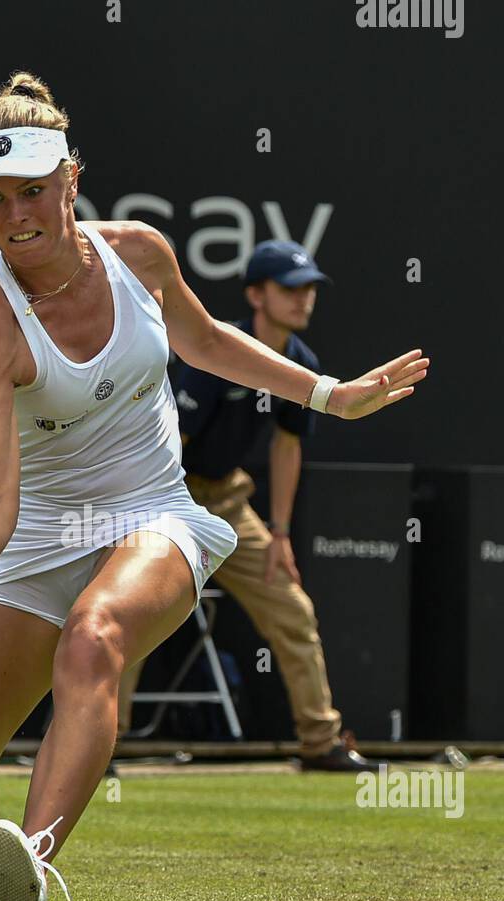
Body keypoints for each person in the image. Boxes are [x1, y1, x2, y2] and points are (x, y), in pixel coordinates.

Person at [0, 72, 427, 901]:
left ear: (71, 179)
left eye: (33, 191)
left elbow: (201, 339)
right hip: (36, 533)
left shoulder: (140, 253)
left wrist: (327, 394)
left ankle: (29, 868)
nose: (17, 216)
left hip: (152, 512)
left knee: (96, 639)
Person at [116, 241, 377, 771]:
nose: (303, 299)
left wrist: (280, 531)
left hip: (229, 502)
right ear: (256, 294)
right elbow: (173, 439)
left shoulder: (301, 361)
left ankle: (320, 742)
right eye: (289, 288)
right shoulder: (219, 352)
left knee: (293, 611)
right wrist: (143, 514)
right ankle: (99, 744)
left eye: (309, 289)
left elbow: (287, 443)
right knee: (129, 619)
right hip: (168, 492)